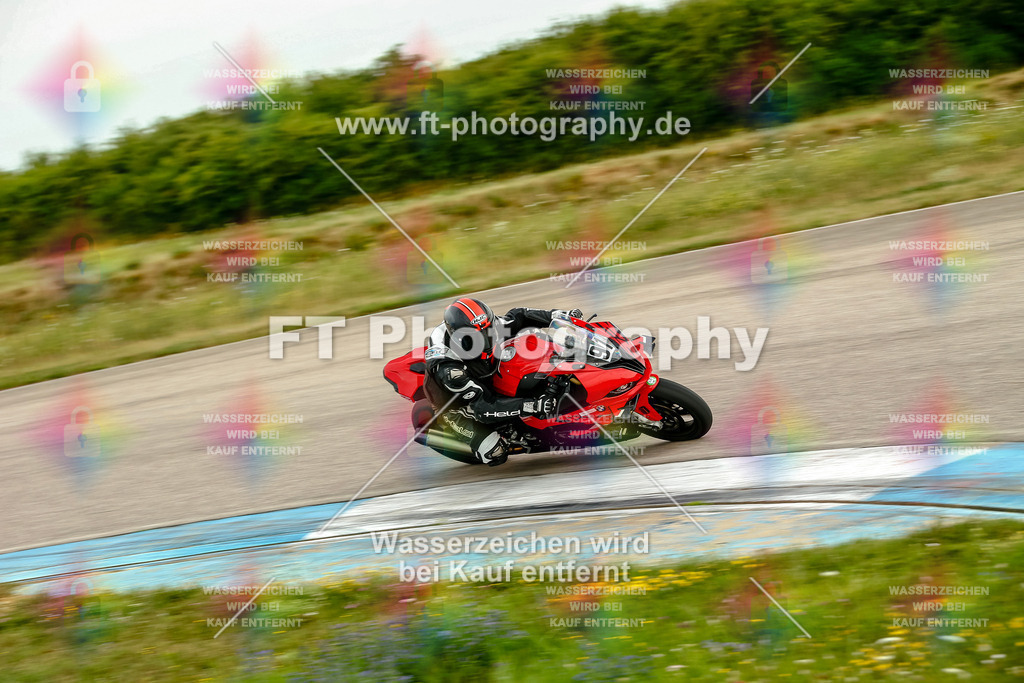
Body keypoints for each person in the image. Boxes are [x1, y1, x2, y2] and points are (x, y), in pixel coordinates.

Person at [423, 297, 583, 466]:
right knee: (496, 453)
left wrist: (559, 315)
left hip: (483, 374)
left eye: (488, 331)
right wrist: (534, 405)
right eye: (475, 338)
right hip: (458, 404)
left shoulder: (486, 325)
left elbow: (520, 316)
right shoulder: (449, 369)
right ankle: (468, 435)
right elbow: (483, 407)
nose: (486, 340)